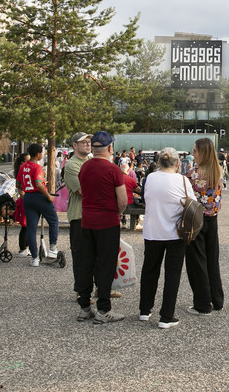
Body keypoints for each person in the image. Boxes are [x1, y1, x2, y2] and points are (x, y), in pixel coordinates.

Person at [77, 131, 131, 324]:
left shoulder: (84, 168)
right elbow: (122, 199)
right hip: (107, 221)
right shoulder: (114, 170)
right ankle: (103, 309)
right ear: (110, 148)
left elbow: (83, 191)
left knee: (87, 263)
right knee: (106, 266)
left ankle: (84, 307)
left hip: (87, 221)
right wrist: (118, 212)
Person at [139, 147, 190, 329]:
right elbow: (191, 203)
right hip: (175, 232)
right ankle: (166, 316)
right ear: (178, 163)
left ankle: (145, 310)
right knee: (172, 273)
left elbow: (146, 198)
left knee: (149, 270)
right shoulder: (182, 180)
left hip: (152, 231)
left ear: (159, 162)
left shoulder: (150, 178)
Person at [185, 137, 224, 317]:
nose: (193, 154)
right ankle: (217, 299)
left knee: (197, 262)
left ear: (202, 152)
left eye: (195, 151)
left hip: (196, 219)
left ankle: (202, 303)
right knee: (212, 260)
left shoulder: (192, 173)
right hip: (212, 219)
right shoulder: (218, 171)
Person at [18, 144, 59, 267]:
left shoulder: (23, 166)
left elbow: (18, 184)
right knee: (53, 221)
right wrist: (48, 195)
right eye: (41, 153)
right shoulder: (37, 167)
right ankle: (52, 248)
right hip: (39, 197)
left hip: (28, 197)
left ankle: (35, 258)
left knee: (31, 228)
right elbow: (38, 183)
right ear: (38, 154)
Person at [64, 132, 92, 299]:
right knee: (81, 254)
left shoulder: (91, 161)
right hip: (79, 214)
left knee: (95, 254)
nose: (88, 145)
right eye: (84, 142)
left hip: (93, 214)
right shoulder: (72, 165)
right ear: (74, 145)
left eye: (89, 142)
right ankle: (81, 290)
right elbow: (83, 191)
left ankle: (95, 287)